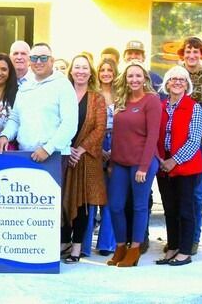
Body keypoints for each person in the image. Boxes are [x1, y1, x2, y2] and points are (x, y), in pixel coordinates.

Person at [106, 61, 160, 267]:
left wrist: (144, 167)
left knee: (139, 206)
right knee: (115, 205)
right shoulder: (121, 100)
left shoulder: (151, 100)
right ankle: (121, 246)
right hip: (120, 162)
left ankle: (135, 248)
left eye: (138, 76)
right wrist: (112, 162)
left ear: (145, 78)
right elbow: (117, 135)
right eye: (130, 76)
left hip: (142, 162)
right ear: (125, 79)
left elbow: (153, 135)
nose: (134, 79)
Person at [155, 66, 202, 267]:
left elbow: (194, 140)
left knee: (185, 209)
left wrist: (174, 160)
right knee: (169, 209)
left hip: (185, 166)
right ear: (167, 84)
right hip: (163, 166)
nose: (177, 82)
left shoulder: (194, 108)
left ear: (187, 84)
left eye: (182, 79)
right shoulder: (160, 106)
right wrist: (161, 160)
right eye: (173, 79)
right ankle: (173, 247)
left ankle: (185, 251)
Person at [60, 55, 107, 263]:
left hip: (86, 158)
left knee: (82, 204)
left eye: (84, 68)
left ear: (90, 72)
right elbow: (56, 122)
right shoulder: (63, 95)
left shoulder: (97, 98)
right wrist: (66, 148)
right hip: (63, 155)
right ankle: (63, 242)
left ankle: (77, 247)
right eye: (77, 67)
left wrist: (79, 150)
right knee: (63, 200)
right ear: (71, 71)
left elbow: (100, 128)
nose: (80, 71)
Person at [177, 36, 202, 254]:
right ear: (182, 54)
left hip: (199, 142)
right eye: (188, 51)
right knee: (176, 192)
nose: (192, 55)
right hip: (175, 141)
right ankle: (176, 238)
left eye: (196, 51)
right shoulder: (176, 75)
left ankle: (192, 239)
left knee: (195, 192)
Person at [82, 57, 119, 257]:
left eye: (109, 70)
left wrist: (114, 151)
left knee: (111, 196)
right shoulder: (92, 94)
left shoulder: (121, 95)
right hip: (94, 143)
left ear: (115, 73)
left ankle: (106, 244)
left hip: (117, 142)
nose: (106, 73)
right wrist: (97, 147)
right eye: (102, 70)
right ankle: (84, 245)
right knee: (91, 196)